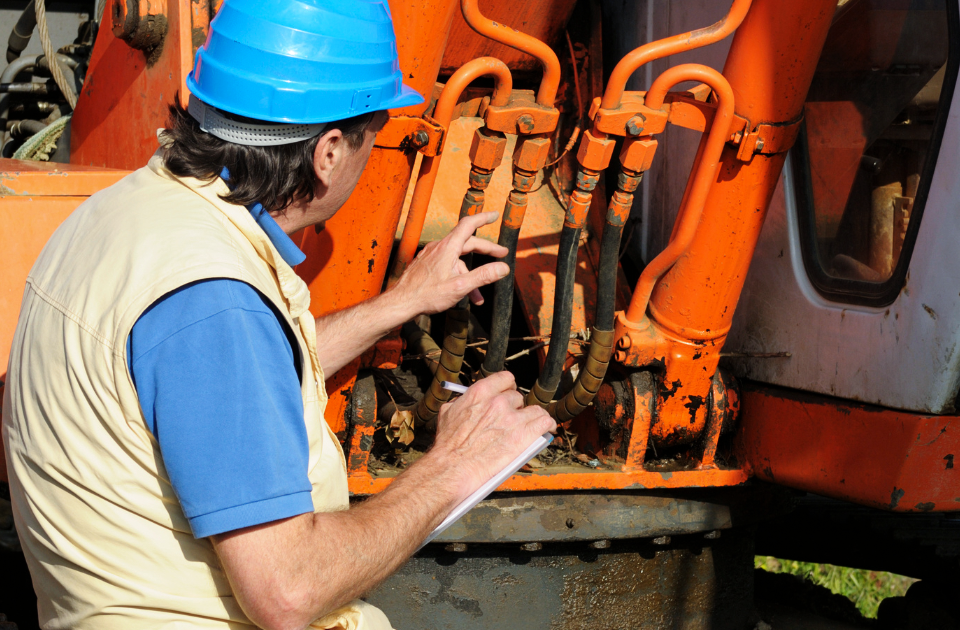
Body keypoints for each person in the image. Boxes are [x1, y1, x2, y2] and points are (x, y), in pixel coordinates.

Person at [1, 1, 555, 629]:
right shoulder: (211, 301)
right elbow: (287, 592)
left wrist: (402, 301)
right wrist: (457, 465)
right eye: (374, 136)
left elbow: (229, 379)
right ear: (329, 152)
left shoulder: (126, 215)